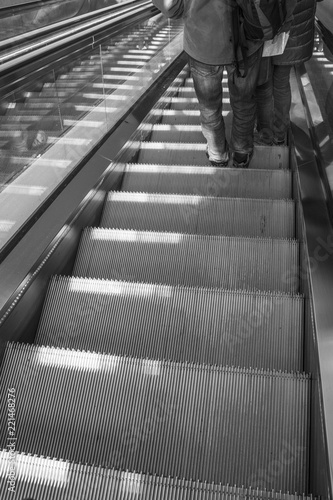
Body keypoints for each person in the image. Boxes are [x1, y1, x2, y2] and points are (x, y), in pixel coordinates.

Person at [151, 0, 264, 168]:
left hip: (203, 40)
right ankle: (241, 153)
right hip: (246, 38)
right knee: (244, 100)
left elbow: (171, 8)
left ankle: (217, 153)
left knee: (209, 106)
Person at [255, 0, 317, 146]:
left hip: (268, 31)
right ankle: (279, 134)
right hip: (294, 33)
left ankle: (265, 135)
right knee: (281, 84)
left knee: (264, 86)